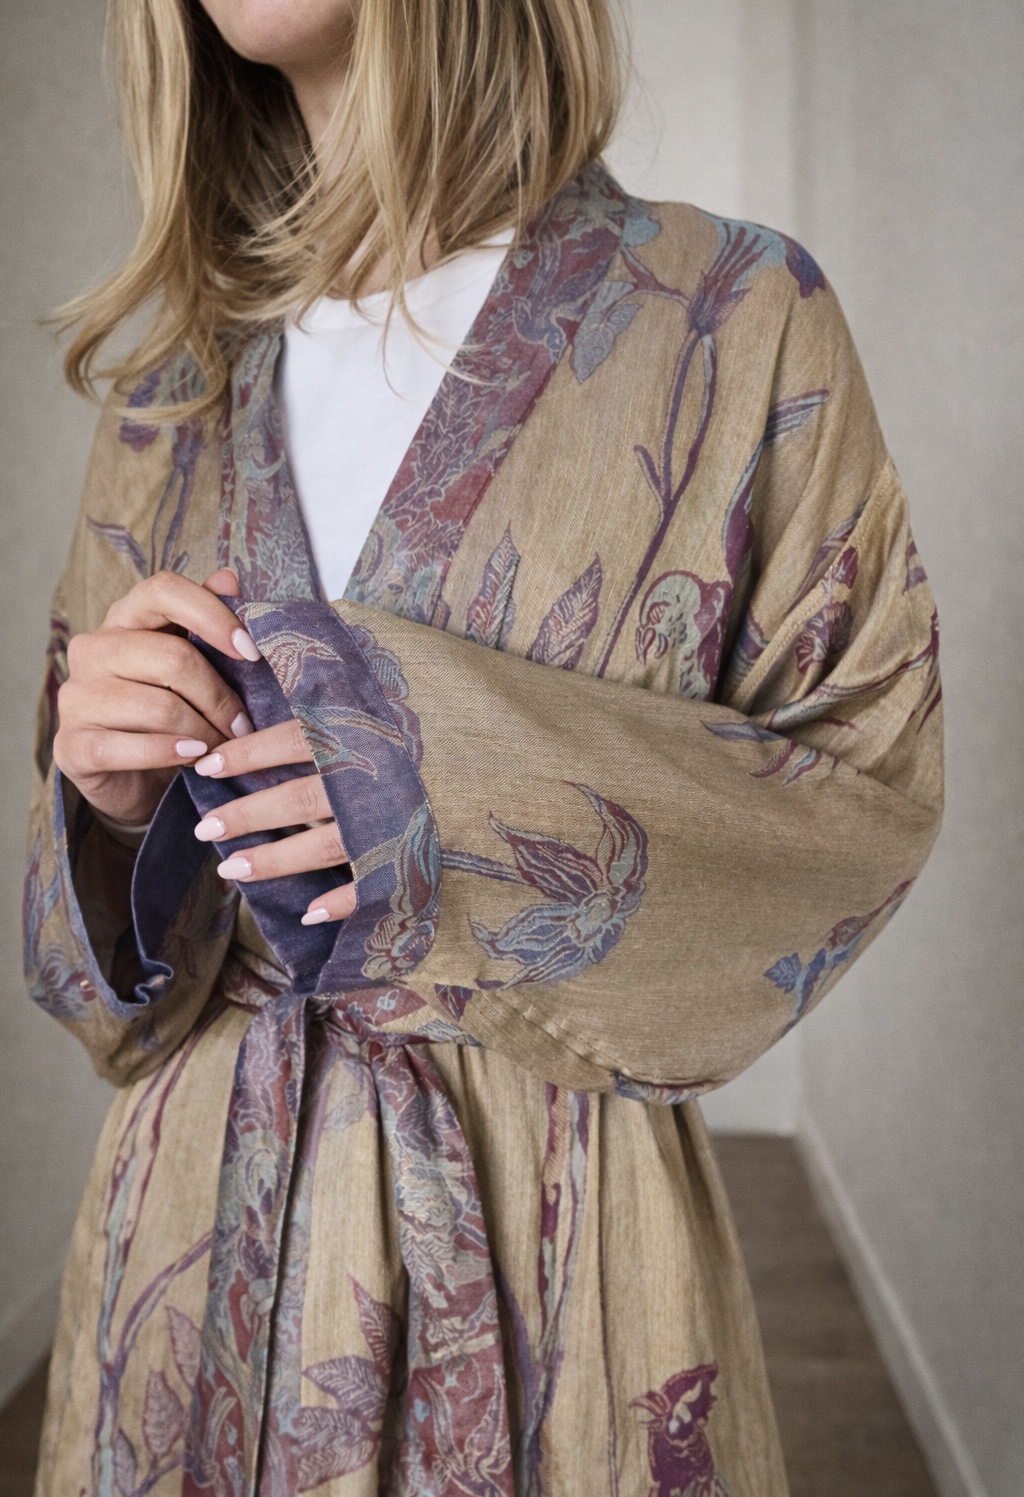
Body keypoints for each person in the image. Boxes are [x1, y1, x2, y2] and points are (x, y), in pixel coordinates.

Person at [25, 1, 944, 1493]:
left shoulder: (729, 318)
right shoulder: (171, 392)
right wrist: (117, 817)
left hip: (559, 1259)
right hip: (191, 1254)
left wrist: (430, 775)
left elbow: (863, 801)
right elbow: (96, 998)